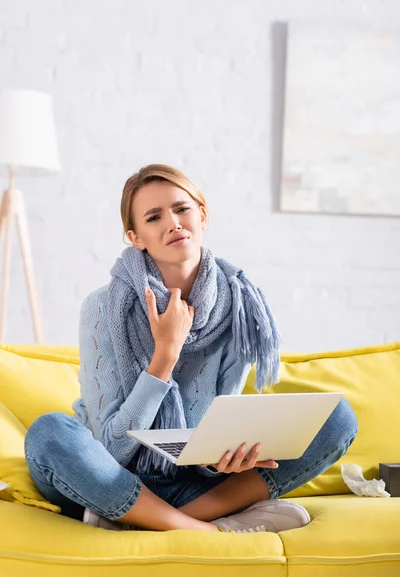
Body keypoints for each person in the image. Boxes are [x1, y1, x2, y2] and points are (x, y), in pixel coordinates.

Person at [25, 164, 358, 533]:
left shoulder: (239, 306)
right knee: (49, 431)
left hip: (192, 484)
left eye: (182, 209)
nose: (173, 223)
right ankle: (209, 528)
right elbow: (111, 449)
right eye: (154, 217)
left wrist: (224, 461)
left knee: (338, 417)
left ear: (201, 215)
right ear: (137, 238)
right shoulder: (103, 307)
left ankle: (160, 521)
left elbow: (210, 433)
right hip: (107, 477)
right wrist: (165, 353)